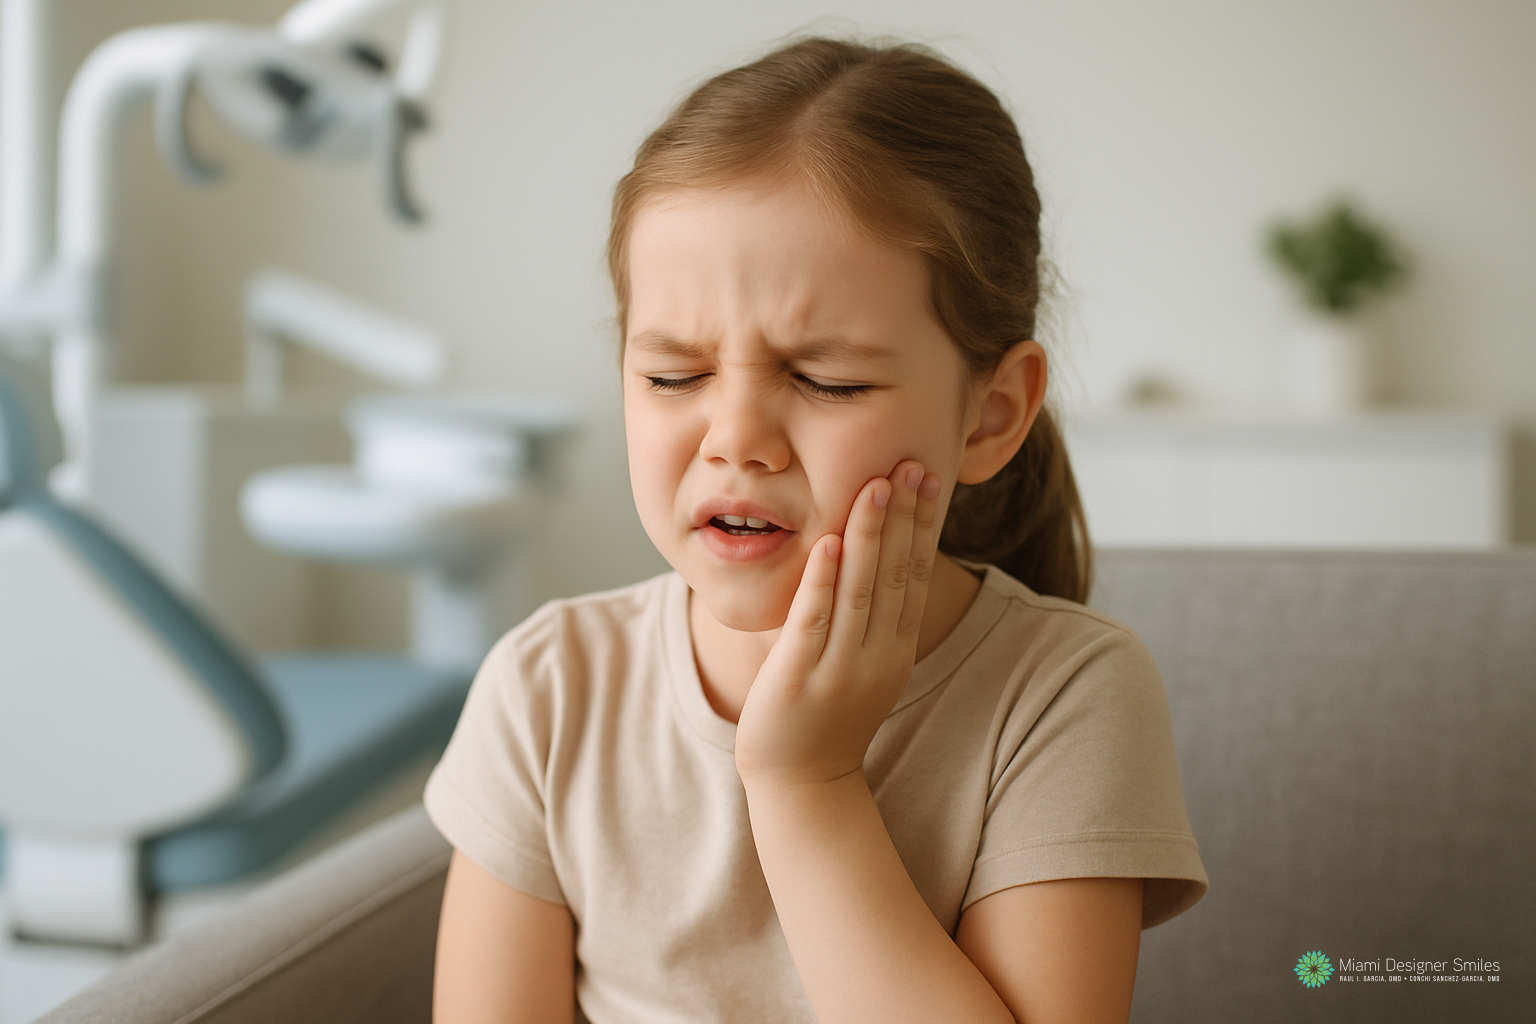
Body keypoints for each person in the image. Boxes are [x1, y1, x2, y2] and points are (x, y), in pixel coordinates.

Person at [425, 36, 1207, 1024]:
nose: (735, 441)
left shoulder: (1063, 697)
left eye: (825, 381)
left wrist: (806, 782)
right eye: (673, 375)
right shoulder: (547, 691)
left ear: (992, 412)